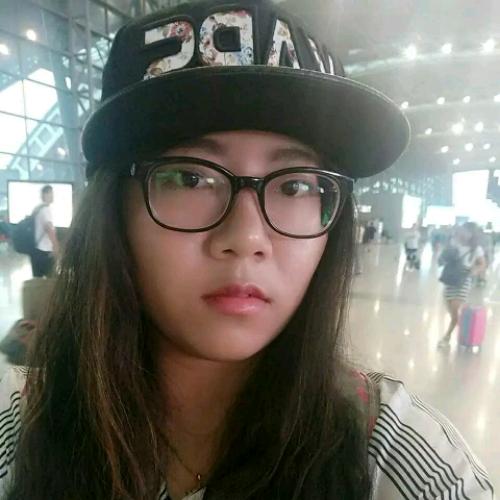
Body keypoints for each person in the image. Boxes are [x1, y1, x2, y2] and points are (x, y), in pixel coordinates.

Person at [0, 1, 493, 499]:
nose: (247, 237)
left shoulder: (388, 451)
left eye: (296, 185)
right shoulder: (21, 431)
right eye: (190, 178)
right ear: (112, 208)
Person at [438, 222, 487, 347]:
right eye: (463, 230)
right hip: (450, 279)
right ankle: (468, 333)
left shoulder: (476, 249)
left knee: (455, 311)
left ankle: (447, 337)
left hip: (463, 281)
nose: (464, 234)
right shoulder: (454, 243)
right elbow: (443, 258)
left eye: (468, 232)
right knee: (452, 311)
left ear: (472, 234)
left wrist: (473, 272)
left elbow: (482, 264)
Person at [29, 185, 59, 277]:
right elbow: (49, 228)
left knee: (38, 278)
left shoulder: (37, 208)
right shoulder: (46, 209)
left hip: (35, 249)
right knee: (51, 278)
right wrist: (55, 245)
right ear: (45, 195)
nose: (53, 196)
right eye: (51, 193)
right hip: (45, 250)